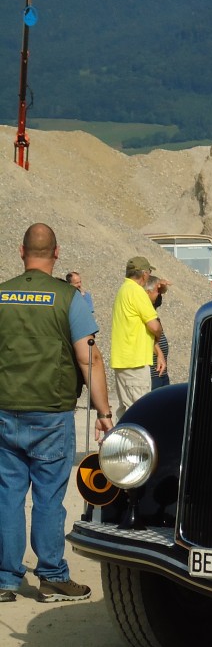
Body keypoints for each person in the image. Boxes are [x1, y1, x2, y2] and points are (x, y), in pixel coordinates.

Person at [0, 223, 114, 603]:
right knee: (49, 497)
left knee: (8, 496)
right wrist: (104, 412)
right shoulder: (70, 298)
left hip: (5, 412)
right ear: (57, 253)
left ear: (21, 252)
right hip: (51, 416)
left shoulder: (1, 296)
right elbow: (89, 358)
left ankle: (5, 579)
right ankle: (50, 576)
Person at [111, 255, 166, 419]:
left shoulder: (124, 289)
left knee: (126, 413)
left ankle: (119, 444)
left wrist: (159, 353)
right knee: (140, 413)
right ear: (144, 274)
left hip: (125, 360)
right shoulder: (136, 292)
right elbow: (154, 326)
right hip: (135, 362)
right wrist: (159, 330)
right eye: (148, 271)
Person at [143, 275, 171, 390]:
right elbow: (151, 334)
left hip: (162, 370)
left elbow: (160, 294)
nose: (158, 294)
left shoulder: (152, 305)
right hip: (152, 372)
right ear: (147, 292)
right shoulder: (143, 307)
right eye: (156, 291)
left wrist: (161, 285)